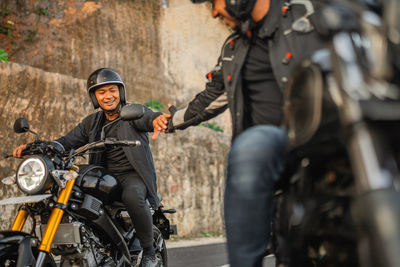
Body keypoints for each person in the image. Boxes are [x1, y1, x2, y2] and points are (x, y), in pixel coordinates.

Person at [156, 0, 324, 266]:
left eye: (214, 2)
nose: (212, 13)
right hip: (274, 154)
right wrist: (170, 121)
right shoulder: (234, 48)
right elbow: (211, 97)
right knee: (251, 147)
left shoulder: (309, 15)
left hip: (328, 137)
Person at [13, 68, 171, 267]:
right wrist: (34, 147)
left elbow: (149, 118)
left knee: (132, 196)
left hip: (131, 175)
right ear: (95, 97)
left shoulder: (132, 113)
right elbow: (66, 141)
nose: (108, 96)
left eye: (112, 90)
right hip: (104, 177)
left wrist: (157, 119)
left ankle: (148, 252)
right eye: (101, 92)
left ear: (120, 92)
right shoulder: (92, 122)